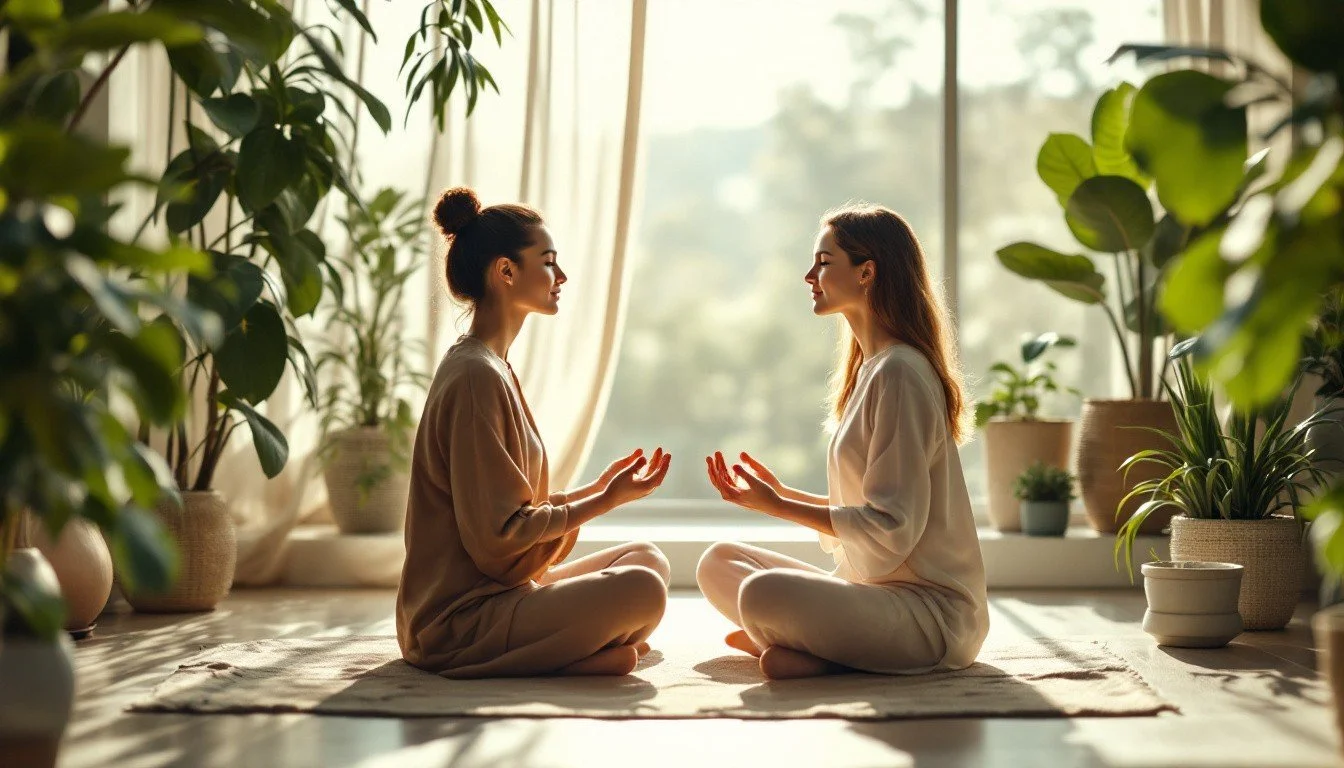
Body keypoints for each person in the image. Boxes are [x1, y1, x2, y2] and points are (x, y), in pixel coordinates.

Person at [696, 203, 989, 680]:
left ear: (867, 272)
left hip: (929, 617)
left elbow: (891, 530)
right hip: (870, 590)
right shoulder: (869, 369)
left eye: (824, 262)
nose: (809, 275)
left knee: (761, 594)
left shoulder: (901, 372)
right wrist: (779, 496)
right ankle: (810, 648)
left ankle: (805, 644)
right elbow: (869, 521)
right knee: (718, 562)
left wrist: (780, 506)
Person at [397, 186, 673, 678]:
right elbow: (500, 541)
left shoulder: (489, 365)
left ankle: (578, 650)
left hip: (505, 594)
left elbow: (511, 516)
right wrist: (604, 501)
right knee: (642, 591)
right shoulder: (474, 376)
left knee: (646, 560)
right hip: (457, 622)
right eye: (548, 262)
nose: (561, 276)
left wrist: (601, 491)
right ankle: (564, 654)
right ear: (505, 272)